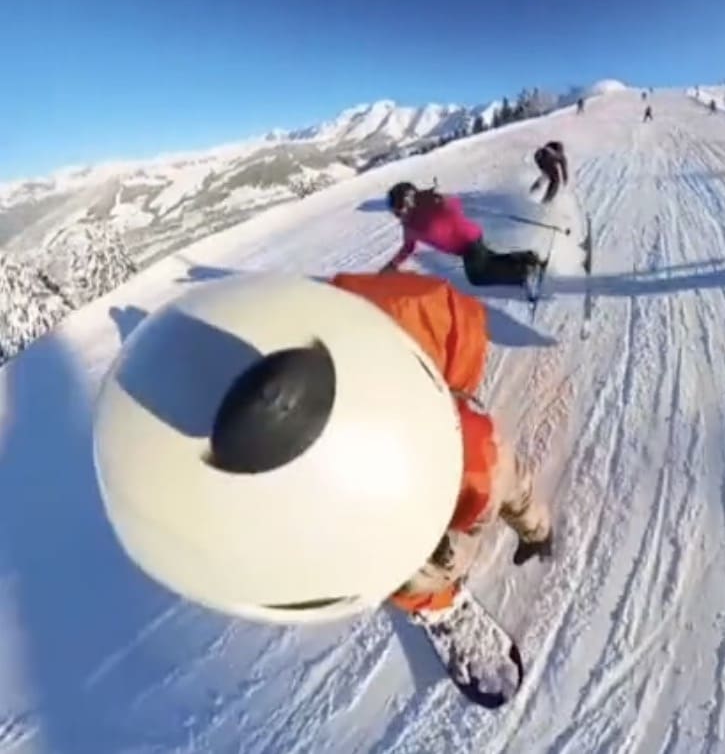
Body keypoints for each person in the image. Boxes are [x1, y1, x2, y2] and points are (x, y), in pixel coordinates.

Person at [91, 271, 554, 627]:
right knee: (406, 554)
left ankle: (437, 592)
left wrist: (533, 528)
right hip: (411, 377)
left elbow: (507, 484)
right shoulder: (351, 326)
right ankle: (435, 588)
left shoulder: (474, 463)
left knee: (419, 554)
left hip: (442, 392)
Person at [381, 182, 542, 287]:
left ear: (409, 203)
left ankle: (524, 274)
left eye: (399, 210)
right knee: (489, 261)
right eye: (394, 212)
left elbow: (455, 205)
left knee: (477, 276)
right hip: (463, 246)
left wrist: (441, 199)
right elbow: (408, 246)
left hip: (469, 239)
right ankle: (527, 258)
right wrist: (393, 264)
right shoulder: (409, 226)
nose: (397, 215)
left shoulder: (431, 207)